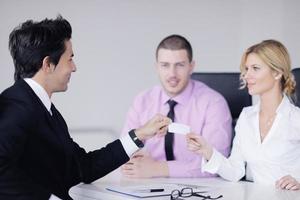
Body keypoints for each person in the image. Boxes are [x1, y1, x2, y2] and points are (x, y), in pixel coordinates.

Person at [0, 16, 171, 200]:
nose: (74, 68)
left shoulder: (42, 108)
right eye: (70, 58)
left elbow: (83, 168)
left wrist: (140, 134)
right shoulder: (15, 106)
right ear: (48, 64)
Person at [187, 39, 300, 190]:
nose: (247, 76)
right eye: (247, 69)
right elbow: (235, 171)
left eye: (255, 68)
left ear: (277, 73)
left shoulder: (296, 119)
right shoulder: (246, 117)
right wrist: (207, 150)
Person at [120, 34, 232, 178]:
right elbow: (124, 153)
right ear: (156, 67)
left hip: (199, 189)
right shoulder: (142, 101)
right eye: (165, 65)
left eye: (179, 65)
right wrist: (134, 156)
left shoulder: (213, 103)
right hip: (146, 185)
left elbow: (218, 162)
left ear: (191, 67)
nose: (172, 74)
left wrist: (156, 168)